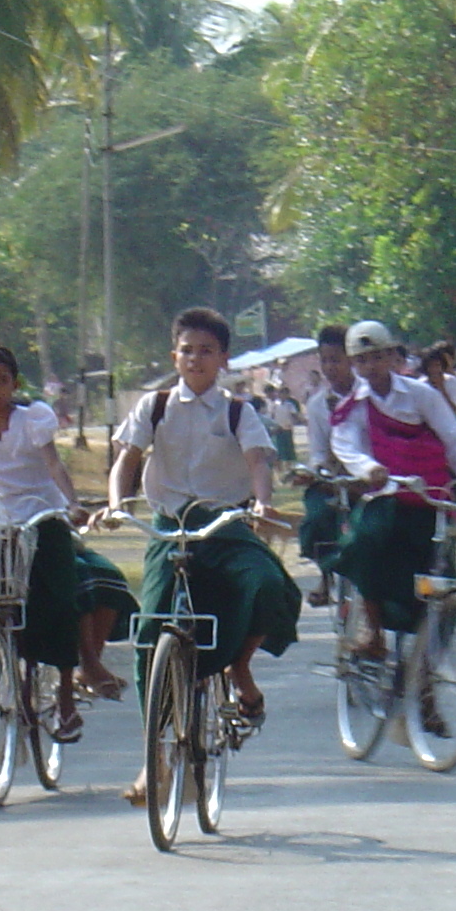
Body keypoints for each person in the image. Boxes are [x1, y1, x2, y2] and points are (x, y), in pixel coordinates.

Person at [107, 308, 301, 797]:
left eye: (206, 351)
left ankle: (240, 666)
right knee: (150, 630)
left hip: (224, 525)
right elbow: (126, 460)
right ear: (174, 355)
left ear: (223, 359)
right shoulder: (153, 406)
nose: (195, 359)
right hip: (169, 528)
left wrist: (261, 503)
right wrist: (114, 503)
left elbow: (258, 461)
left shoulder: (239, 411)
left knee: (269, 584)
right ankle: (154, 762)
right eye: (187, 350)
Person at [0, 346, 136, 740]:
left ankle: (65, 701)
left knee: (60, 603)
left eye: (2, 380)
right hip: (5, 529)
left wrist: (71, 503)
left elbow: (53, 464)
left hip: (45, 521)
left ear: (15, 385)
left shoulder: (33, 420)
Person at [331, 321, 456, 732]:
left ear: (392, 356)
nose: (370, 366)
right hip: (386, 499)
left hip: (431, 501)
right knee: (365, 542)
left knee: (444, 594)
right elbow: (345, 445)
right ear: (354, 365)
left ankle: (424, 686)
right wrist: (368, 468)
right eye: (361, 359)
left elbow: (455, 439)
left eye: (377, 356)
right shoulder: (353, 406)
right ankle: (371, 628)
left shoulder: (421, 395)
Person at [298, 323, 357, 607]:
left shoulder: (367, 396)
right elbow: (318, 450)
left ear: (351, 359)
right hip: (334, 478)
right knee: (317, 516)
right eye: (325, 361)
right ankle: (325, 575)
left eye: (336, 359)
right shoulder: (317, 404)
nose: (330, 367)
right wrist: (318, 472)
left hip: (368, 478)